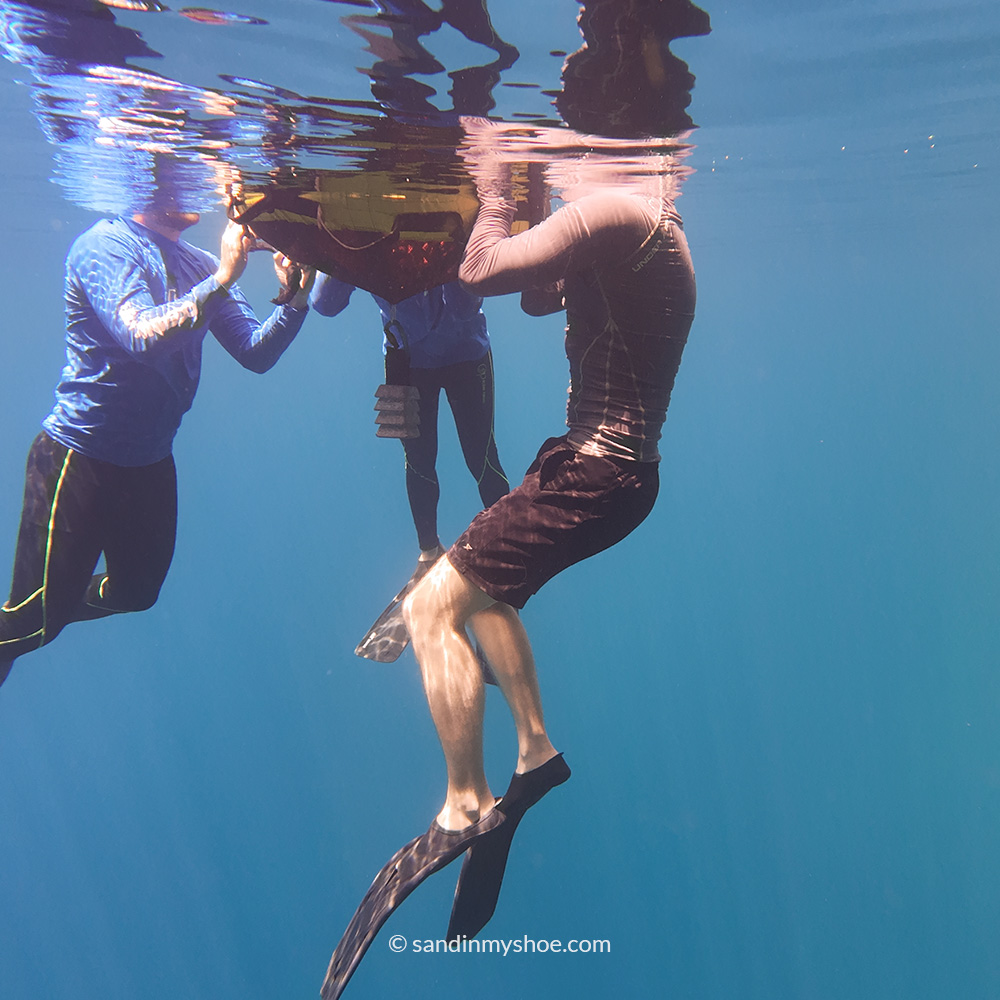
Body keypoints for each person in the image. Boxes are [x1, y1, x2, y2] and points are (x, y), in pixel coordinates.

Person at [318, 130, 697, 999]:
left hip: (572, 449)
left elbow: (484, 275)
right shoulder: (637, 225)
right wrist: (520, 207)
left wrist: (492, 181)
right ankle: (532, 749)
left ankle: (463, 804)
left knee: (437, 596)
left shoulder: (615, 212)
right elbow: (533, 299)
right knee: (467, 564)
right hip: (567, 451)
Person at [0, 210, 315, 689]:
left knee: (136, 592)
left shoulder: (199, 262)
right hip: (79, 457)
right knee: (36, 622)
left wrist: (296, 296)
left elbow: (255, 352)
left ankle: (46, 609)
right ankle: (40, 614)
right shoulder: (106, 245)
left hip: (149, 460)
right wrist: (223, 279)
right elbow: (141, 336)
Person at [310, 275, 509, 566]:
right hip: (414, 359)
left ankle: (507, 541)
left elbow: (464, 306)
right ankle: (430, 552)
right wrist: (341, 258)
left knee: (480, 457)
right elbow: (325, 303)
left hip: (452, 353)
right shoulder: (365, 247)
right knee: (420, 461)